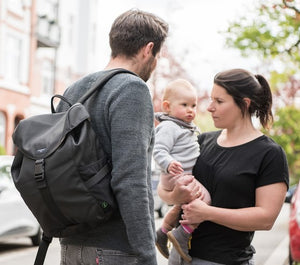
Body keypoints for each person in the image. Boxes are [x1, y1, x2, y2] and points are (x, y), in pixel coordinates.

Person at [56, 9, 168, 265]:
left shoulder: (75, 90)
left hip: (72, 246)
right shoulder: (131, 88)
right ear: (148, 49)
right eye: (158, 55)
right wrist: (148, 254)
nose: (155, 62)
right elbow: (130, 180)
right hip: (114, 249)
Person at [158, 68, 289, 265]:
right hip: (181, 258)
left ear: (244, 104)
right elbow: (165, 189)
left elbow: (266, 218)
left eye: (219, 101)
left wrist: (207, 213)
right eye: (211, 100)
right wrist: (175, 195)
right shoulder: (201, 141)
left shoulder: (269, 154)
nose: (210, 107)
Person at [153, 79, 211, 263]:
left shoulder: (185, 127)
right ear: (167, 106)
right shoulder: (168, 127)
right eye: (184, 105)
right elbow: (158, 150)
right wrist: (169, 163)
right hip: (176, 175)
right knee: (205, 199)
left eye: (193, 105)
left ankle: (163, 232)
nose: (190, 110)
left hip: (180, 176)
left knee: (182, 205)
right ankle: (182, 234)